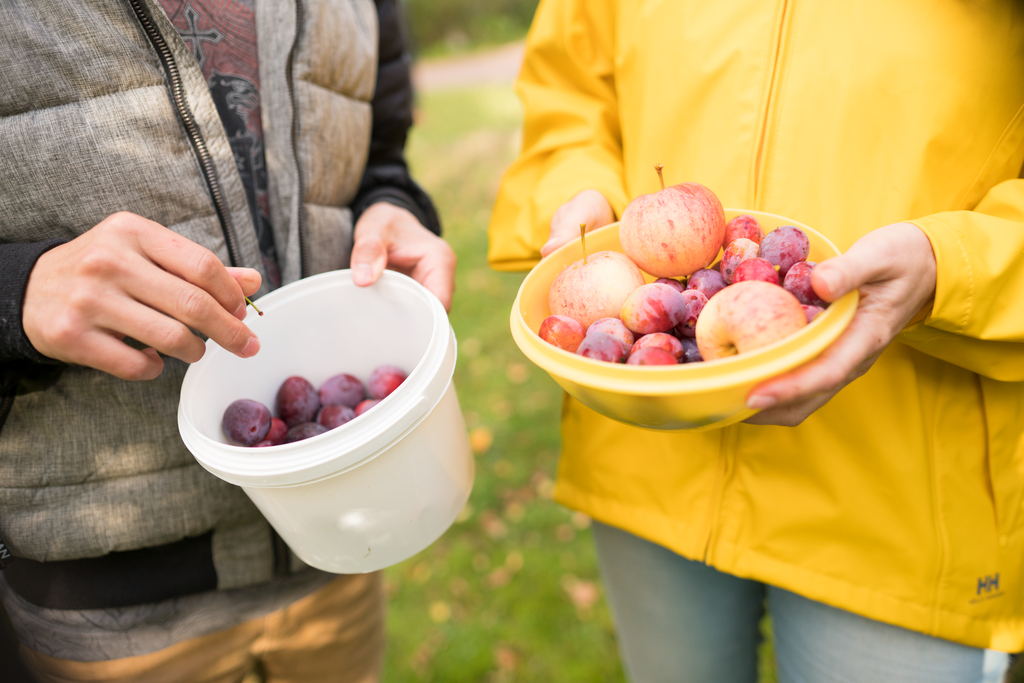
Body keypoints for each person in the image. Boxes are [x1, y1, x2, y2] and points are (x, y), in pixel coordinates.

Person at [489, 2, 1024, 682]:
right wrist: (580, 194)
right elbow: (568, 95)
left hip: (902, 493)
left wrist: (952, 266)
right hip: (649, 447)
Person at [0, 0, 454, 681]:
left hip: (340, 549)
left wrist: (394, 203)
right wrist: (18, 291)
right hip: (114, 608)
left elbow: (378, 143)